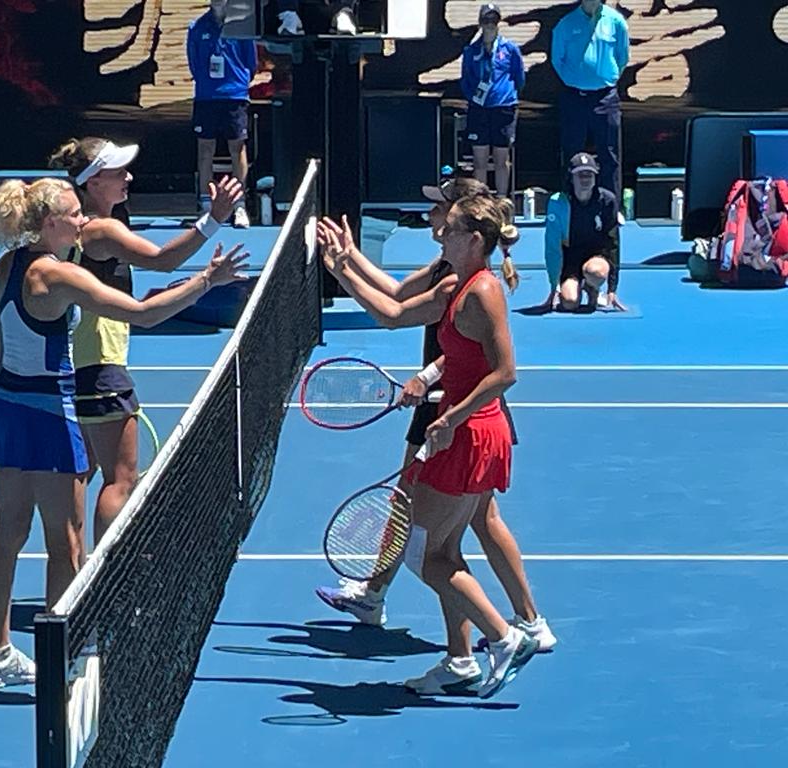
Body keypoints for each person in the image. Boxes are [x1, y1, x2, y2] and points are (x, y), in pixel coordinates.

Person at [0, 177, 247, 688]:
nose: (83, 221)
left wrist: (6, 409)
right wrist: (206, 281)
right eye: (74, 214)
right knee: (66, 543)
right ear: (50, 222)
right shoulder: (59, 278)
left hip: (6, 412)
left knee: (9, 534)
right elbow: (143, 315)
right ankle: (65, 659)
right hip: (51, 418)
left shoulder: (6, 268)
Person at [315, 182, 554, 693]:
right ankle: (462, 659)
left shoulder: (485, 291)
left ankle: (507, 635)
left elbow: (505, 372)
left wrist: (451, 416)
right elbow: (393, 314)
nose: (439, 233)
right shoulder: (454, 287)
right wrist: (340, 268)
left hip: (469, 433)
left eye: (450, 229)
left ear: (474, 238)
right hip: (455, 427)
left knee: (424, 554)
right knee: (442, 550)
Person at [48, 137, 243, 545]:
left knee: (78, 475)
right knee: (120, 479)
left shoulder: (75, 230)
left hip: (72, 368)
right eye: (119, 172)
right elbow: (162, 260)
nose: (129, 178)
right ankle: (104, 578)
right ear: (96, 181)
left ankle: (73, 571)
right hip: (100, 367)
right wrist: (214, 219)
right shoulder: (102, 230)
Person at [187, 0, 256, 227]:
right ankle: (206, 205)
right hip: (207, 97)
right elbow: (195, 64)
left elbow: (251, 63)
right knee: (205, 148)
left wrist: (237, 83)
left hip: (235, 96)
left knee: (238, 148)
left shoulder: (242, 26)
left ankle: (239, 205)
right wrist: (209, 85)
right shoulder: (196, 27)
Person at [550, 0, 629, 197]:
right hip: (574, 97)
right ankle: (571, 204)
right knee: (571, 151)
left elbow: (622, 57)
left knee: (609, 155)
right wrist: (575, 79)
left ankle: (610, 208)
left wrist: (603, 78)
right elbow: (557, 59)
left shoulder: (616, 21)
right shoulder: (566, 23)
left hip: (605, 98)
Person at [543, 152, 625, 312]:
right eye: (580, 175)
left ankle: (592, 286)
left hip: (596, 257)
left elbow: (613, 242)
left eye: (589, 175)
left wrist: (612, 289)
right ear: (571, 178)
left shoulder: (608, 200)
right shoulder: (558, 203)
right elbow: (552, 247)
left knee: (595, 272)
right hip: (570, 258)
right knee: (569, 302)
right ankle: (576, 284)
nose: (585, 180)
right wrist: (554, 287)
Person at [460, 4, 525, 197]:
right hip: (479, 109)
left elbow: (519, 77)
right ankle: (481, 201)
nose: (490, 25)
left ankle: (502, 200)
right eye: (486, 20)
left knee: (501, 158)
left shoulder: (510, 49)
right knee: (479, 160)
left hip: (503, 108)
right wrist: (474, 98)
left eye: (494, 20)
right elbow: (465, 80)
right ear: (480, 23)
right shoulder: (471, 51)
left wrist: (507, 95)